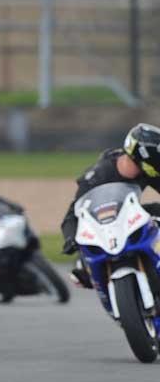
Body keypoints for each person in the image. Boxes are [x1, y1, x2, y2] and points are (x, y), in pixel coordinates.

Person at [60, 123, 160, 288]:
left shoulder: (144, 170)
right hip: (102, 227)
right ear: (144, 158)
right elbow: (72, 214)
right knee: (81, 272)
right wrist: (71, 240)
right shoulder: (96, 176)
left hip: (128, 216)